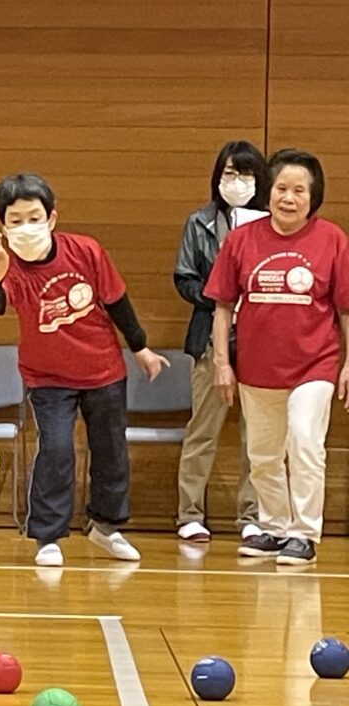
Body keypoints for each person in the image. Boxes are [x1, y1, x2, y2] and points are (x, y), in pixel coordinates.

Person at [0, 173, 168, 567]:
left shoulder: (85, 251)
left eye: (34, 217)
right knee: (57, 450)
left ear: (51, 218)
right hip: (47, 378)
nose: (26, 226)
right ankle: (48, 537)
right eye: (15, 220)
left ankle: (106, 527)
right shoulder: (9, 265)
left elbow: (117, 300)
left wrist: (141, 347)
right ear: (3, 226)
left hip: (103, 370)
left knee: (111, 450)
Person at [206, 149, 349, 566]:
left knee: (304, 441)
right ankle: (273, 526)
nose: (289, 197)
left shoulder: (333, 240)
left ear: (313, 196)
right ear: (268, 192)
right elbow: (221, 306)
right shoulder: (241, 241)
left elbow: (345, 309)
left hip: (315, 365)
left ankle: (304, 533)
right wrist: (222, 363)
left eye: (299, 190)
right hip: (256, 367)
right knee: (263, 455)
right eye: (282, 188)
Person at [173, 141, 268, 543]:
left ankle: (252, 515)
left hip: (262, 339)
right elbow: (184, 277)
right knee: (203, 428)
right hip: (211, 337)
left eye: (245, 174)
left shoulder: (270, 225)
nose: (236, 181)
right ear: (218, 177)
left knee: (257, 433)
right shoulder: (200, 222)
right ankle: (190, 514)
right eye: (229, 173)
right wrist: (219, 297)